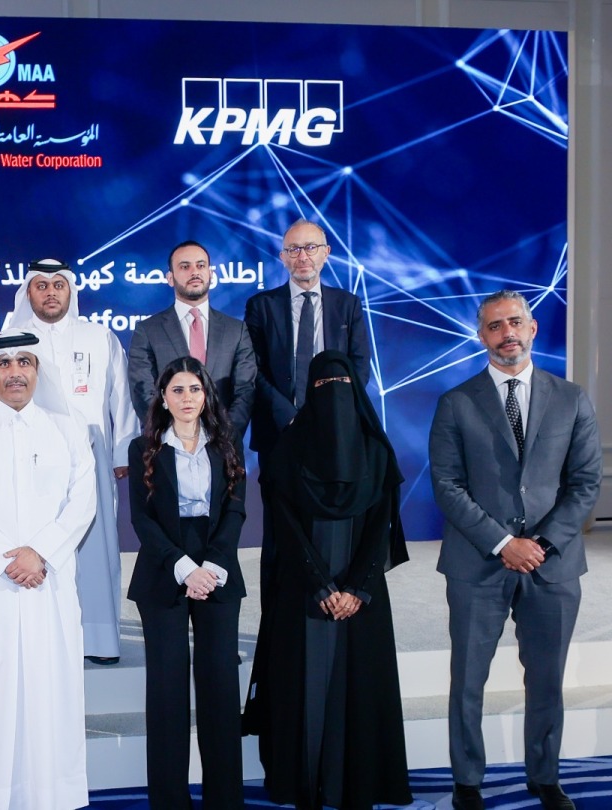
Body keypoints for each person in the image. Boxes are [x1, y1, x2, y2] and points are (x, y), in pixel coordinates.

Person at [430, 290, 602, 810]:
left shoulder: (572, 399)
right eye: (494, 325)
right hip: (477, 563)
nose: (506, 332)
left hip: (553, 566)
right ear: (481, 335)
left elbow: (586, 482)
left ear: (532, 328)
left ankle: (545, 777)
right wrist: (505, 543)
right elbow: (447, 484)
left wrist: (541, 545)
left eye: (515, 322)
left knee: (547, 679)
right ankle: (467, 783)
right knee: (468, 680)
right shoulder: (455, 402)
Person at [244, 350, 411, 810]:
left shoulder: (377, 454)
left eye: (340, 385)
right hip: (304, 594)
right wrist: (322, 587)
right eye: (321, 387)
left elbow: (382, 528)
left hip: (363, 597)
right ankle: (304, 786)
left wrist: (356, 589)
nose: (331, 396)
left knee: (355, 693)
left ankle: (355, 786)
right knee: (306, 691)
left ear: (354, 390)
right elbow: (287, 531)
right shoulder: (287, 453)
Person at [0, 330, 97, 810]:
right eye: (3, 364)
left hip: (48, 585)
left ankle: (52, 796)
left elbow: (82, 503)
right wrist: (8, 560)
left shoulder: (67, 430)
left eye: (24, 362)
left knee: (52, 696)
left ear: (37, 370)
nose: (14, 372)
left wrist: (41, 554)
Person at [127, 356, 247, 809]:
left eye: (194, 389)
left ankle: (225, 800)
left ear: (206, 395)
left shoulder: (226, 444)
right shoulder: (143, 450)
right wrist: (184, 568)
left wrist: (211, 569)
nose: (186, 398)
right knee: (167, 691)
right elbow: (142, 519)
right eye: (177, 390)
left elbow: (236, 511)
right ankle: (170, 800)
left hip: (217, 563)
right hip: (164, 566)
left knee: (220, 687)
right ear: (163, 398)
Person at [9, 258, 139, 664]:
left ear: (70, 291)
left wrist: (122, 451)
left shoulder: (99, 337)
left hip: (92, 453)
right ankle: (43, 642)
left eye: (58, 285)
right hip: (28, 458)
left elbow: (121, 398)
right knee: (38, 542)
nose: (50, 292)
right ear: (28, 292)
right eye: (41, 285)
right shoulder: (12, 340)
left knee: (95, 548)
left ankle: (99, 640)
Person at [245, 219, 370, 605]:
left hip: (334, 437)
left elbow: (359, 367)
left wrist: (328, 417)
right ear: (283, 257)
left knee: (328, 530)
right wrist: (291, 415)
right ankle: (276, 629)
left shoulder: (347, 304)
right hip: (280, 434)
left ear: (326, 253)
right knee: (281, 533)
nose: (303, 256)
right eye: (294, 249)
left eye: (311, 247)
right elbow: (253, 369)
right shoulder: (261, 306)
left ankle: (326, 607)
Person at [128, 240, 256, 434]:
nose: (194, 272)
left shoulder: (235, 330)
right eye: (185, 266)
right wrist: (173, 435)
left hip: (224, 446)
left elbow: (245, 391)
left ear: (211, 274)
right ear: (170, 278)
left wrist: (224, 436)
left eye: (201, 265)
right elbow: (143, 391)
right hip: (167, 446)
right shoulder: (148, 330)